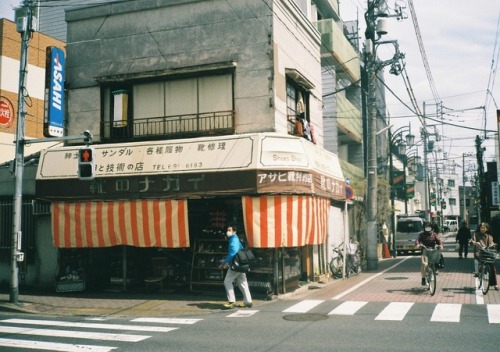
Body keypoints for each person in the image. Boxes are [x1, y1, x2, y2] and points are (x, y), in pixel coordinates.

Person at [218, 226, 253, 309]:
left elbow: (233, 253)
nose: (228, 232)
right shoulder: (235, 239)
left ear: (234, 231)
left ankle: (231, 301)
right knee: (243, 283)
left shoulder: (233, 240)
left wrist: (224, 263)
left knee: (227, 281)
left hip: (236, 265)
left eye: (229, 230)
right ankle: (248, 301)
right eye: (227, 230)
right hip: (241, 264)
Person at [470, 222, 498, 290]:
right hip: (479, 252)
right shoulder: (475, 234)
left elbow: (492, 243)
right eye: (481, 227)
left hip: (487, 253)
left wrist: (493, 245)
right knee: (481, 262)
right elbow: (472, 240)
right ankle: (479, 271)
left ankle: (495, 284)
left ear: (487, 229)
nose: (482, 229)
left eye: (484, 228)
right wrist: (473, 242)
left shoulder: (489, 236)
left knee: (492, 268)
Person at [415, 221, 443, 285]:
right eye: (426, 227)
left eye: (429, 227)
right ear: (424, 228)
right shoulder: (421, 235)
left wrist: (440, 245)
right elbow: (417, 240)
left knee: (435, 261)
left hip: (433, 250)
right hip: (424, 250)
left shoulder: (434, 234)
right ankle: (423, 279)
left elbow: (439, 241)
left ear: (431, 228)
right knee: (424, 264)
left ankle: (434, 270)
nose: (428, 229)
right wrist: (418, 245)